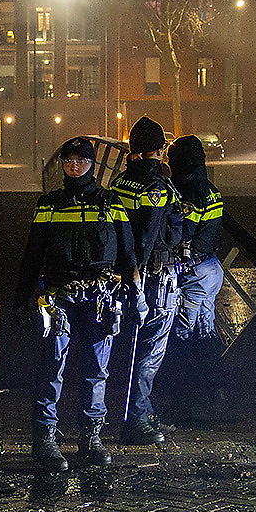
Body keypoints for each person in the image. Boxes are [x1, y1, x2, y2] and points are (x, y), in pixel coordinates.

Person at [15, 136, 133, 471]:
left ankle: (91, 437)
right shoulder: (49, 204)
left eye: (80, 161)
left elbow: (128, 253)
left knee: (96, 369)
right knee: (52, 366)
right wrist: (22, 297)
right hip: (60, 296)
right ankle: (44, 439)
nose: (74, 166)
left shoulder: (111, 203)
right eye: (68, 161)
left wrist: (134, 294)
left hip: (100, 297)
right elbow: (32, 254)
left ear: (92, 165)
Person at [113, 116, 183, 444]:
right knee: (150, 350)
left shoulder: (119, 183)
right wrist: (138, 276)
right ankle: (137, 420)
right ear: (159, 150)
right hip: (154, 278)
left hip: (123, 276)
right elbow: (149, 234)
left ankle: (129, 411)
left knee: (126, 347)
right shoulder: (156, 187)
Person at [162, 134, 226, 426]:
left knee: (183, 337)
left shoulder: (188, 194)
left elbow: (180, 234)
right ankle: (218, 399)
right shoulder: (211, 189)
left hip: (192, 274)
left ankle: (185, 405)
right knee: (207, 334)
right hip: (210, 269)